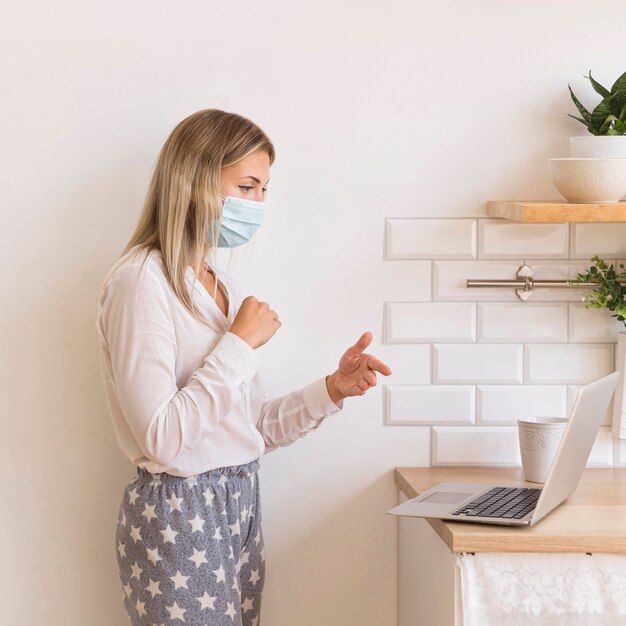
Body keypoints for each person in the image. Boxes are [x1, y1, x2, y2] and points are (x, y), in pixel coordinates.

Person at [96, 108, 392, 626]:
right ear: (192, 184)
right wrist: (236, 344)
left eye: (263, 191)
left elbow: (249, 429)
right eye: (246, 186)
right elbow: (161, 438)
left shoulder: (224, 288)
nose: (256, 204)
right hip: (179, 516)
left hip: (240, 503)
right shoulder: (141, 282)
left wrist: (332, 390)